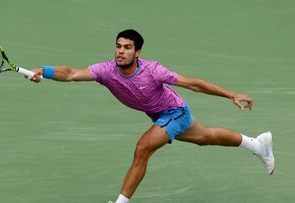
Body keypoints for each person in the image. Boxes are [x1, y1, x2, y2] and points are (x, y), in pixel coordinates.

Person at [29, 29, 274, 203]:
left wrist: (230, 94)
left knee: (143, 148)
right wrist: (44, 71)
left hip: (174, 112)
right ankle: (257, 144)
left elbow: (194, 84)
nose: (121, 52)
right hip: (158, 114)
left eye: (127, 47)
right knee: (205, 137)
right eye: (118, 46)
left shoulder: (153, 71)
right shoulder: (106, 70)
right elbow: (71, 73)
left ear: (138, 52)